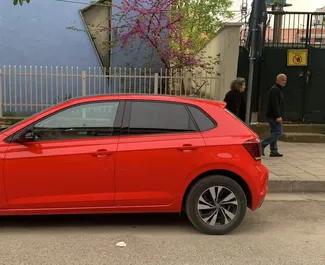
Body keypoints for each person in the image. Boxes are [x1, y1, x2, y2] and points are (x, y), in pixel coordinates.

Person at [261, 74, 287, 157]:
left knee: (274, 132)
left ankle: (274, 150)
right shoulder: (275, 90)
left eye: (285, 80)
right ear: (277, 80)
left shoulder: (277, 89)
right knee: (278, 132)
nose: (284, 81)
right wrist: (278, 116)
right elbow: (275, 104)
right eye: (282, 80)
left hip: (273, 115)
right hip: (273, 116)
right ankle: (262, 144)